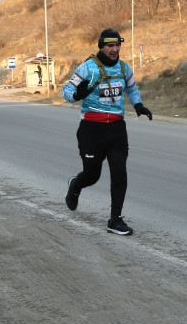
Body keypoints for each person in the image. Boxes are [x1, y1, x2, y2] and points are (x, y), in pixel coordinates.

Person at [62, 28, 152, 236]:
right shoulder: (88, 68)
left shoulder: (124, 68)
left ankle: (115, 219)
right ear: (102, 47)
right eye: (110, 46)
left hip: (116, 129)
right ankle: (75, 185)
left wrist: (138, 105)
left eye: (117, 45)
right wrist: (77, 94)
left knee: (119, 172)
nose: (115, 49)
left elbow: (132, 88)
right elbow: (66, 91)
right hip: (92, 129)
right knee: (92, 175)